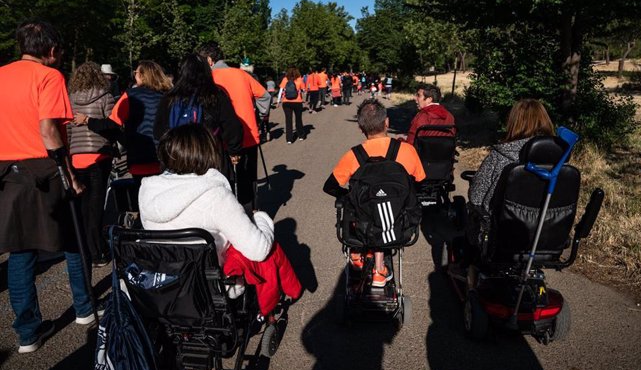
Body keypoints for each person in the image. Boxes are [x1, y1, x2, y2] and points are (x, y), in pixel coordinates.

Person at [0, 21, 98, 353]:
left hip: (7, 172)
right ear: (52, 50)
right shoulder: (49, 76)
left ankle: (27, 333)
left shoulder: (2, 75)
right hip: (43, 167)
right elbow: (48, 129)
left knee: (21, 249)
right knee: (72, 239)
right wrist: (68, 172)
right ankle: (84, 309)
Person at [138, 124, 302, 316]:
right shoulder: (214, 195)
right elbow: (258, 250)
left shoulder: (148, 190)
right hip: (207, 286)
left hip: (161, 281)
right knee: (265, 245)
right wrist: (261, 219)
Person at [323, 99, 426, 287]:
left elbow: (330, 186)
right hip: (398, 225)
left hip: (363, 226)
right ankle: (380, 269)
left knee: (354, 206)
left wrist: (349, 197)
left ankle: (358, 255)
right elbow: (420, 183)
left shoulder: (354, 155)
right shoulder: (407, 151)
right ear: (387, 122)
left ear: (361, 128)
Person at [198, 42, 271, 211]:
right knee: (249, 180)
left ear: (209, 60)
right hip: (249, 135)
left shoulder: (207, 80)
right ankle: (251, 216)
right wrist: (261, 115)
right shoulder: (242, 74)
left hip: (219, 140)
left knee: (223, 183)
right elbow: (265, 96)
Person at [77, 60, 173, 179]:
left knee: (139, 195)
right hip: (164, 159)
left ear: (142, 75)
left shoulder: (130, 95)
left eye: (135, 72)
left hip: (139, 157)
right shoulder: (168, 97)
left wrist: (88, 120)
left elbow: (112, 123)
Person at [153, 53, 244, 173]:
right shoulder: (215, 94)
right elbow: (231, 126)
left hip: (177, 158)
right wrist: (234, 151)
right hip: (209, 155)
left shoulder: (169, 98)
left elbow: (158, 131)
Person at [67, 61, 116, 268]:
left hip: (76, 156)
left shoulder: (69, 100)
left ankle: (83, 249)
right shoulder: (106, 97)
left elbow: (67, 130)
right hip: (99, 156)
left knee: (83, 206)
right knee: (96, 208)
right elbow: (113, 126)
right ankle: (97, 253)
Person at [468, 98, 555, 214]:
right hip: (549, 228)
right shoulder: (560, 161)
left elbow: (476, 197)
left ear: (514, 123)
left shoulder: (500, 156)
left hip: (504, 228)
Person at [277, 67, 306, 144]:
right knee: (298, 119)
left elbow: (280, 91)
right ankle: (301, 135)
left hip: (286, 102)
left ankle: (289, 139)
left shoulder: (285, 79)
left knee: (288, 120)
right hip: (297, 102)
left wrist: (278, 101)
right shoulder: (299, 79)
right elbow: (304, 90)